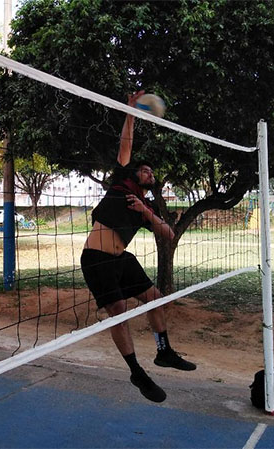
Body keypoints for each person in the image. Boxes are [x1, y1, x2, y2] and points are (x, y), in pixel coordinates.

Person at [80, 91, 196, 404]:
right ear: (134, 173)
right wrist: (130, 111)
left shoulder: (142, 204)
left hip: (122, 259)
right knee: (119, 313)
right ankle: (136, 372)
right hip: (97, 259)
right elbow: (126, 143)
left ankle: (164, 351)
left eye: (151, 172)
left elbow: (169, 234)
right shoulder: (121, 182)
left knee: (156, 299)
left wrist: (145, 212)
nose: (149, 172)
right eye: (144, 169)